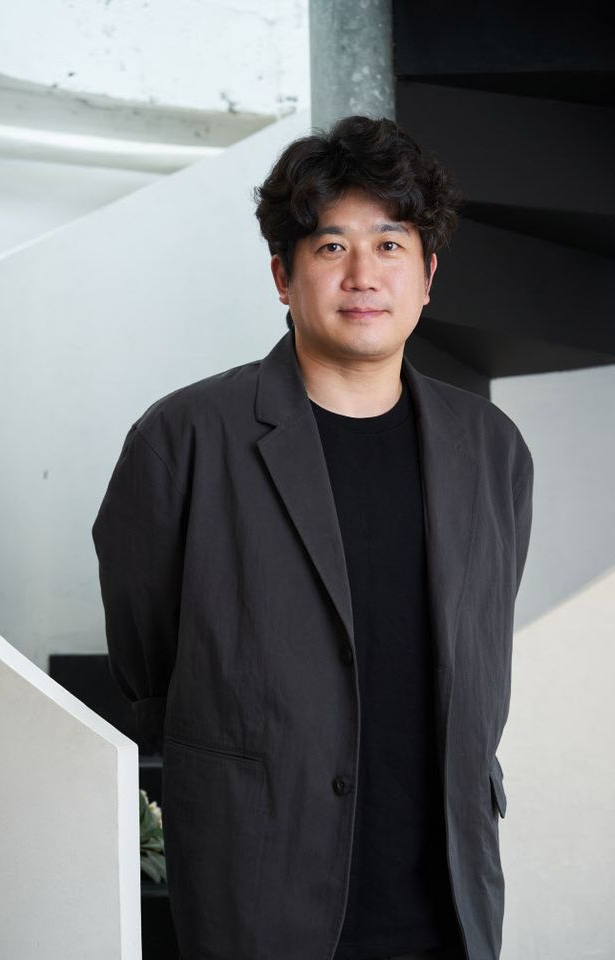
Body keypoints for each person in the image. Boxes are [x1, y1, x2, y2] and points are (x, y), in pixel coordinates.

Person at [92, 115, 533, 960]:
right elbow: (148, 659)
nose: (364, 274)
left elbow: (483, 642)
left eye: (391, 244)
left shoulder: (492, 449)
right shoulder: (184, 438)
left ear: (428, 276)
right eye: (332, 247)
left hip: (447, 897)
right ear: (282, 276)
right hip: (259, 886)